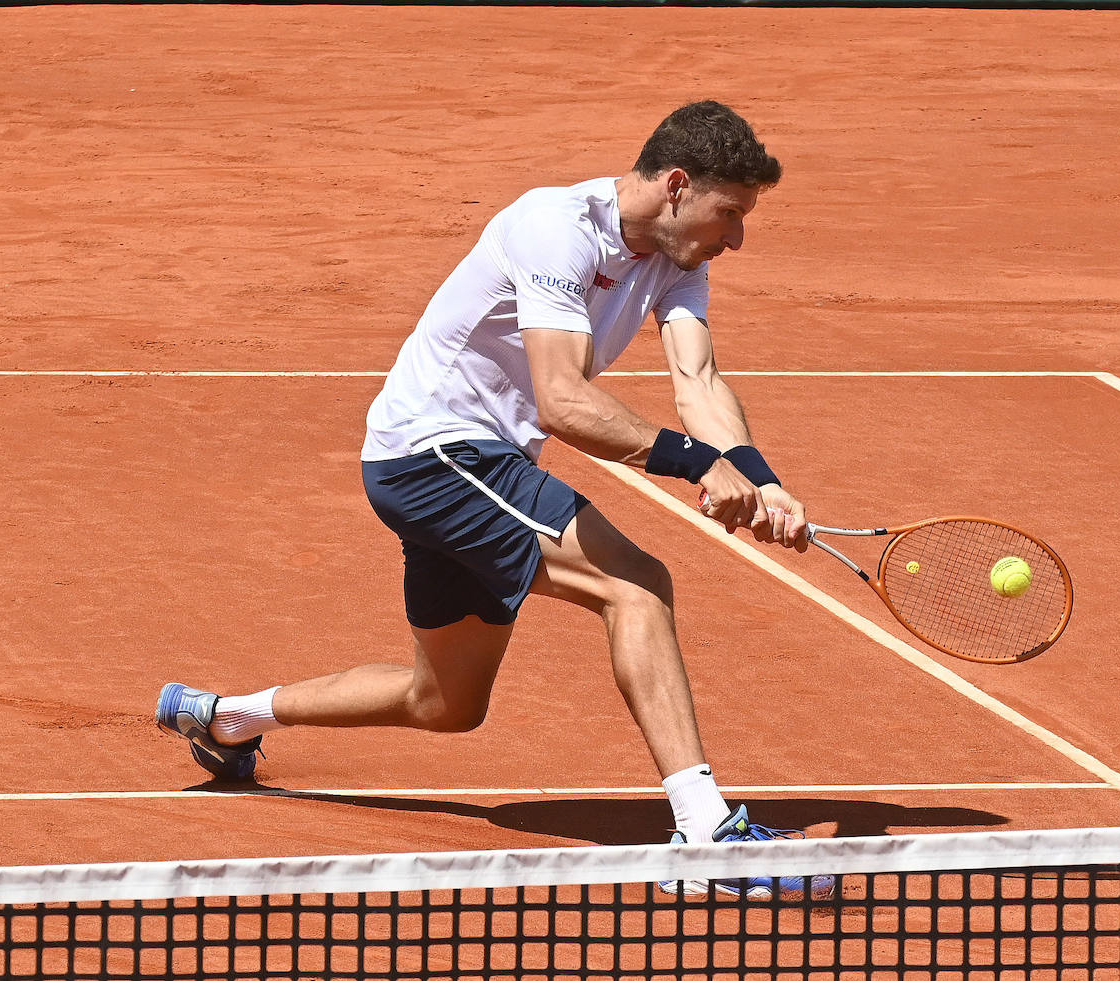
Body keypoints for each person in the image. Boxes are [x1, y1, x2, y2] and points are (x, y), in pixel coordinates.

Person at [157, 101, 831, 899]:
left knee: (443, 701)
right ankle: (704, 835)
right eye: (731, 214)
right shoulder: (556, 228)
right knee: (637, 584)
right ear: (678, 186)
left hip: (462, 461)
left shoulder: (681, 258)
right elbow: (561, 399)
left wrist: (760, 476)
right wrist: (694, 464)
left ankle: (225, 717)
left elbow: (700, 382)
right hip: (436, 452)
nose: (738, 236)